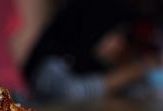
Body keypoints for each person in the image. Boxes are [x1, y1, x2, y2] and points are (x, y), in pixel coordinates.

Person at [23, 0, 160, 103]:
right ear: (93, 30)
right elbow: (64, 94)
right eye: (114, 34)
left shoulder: (94, 61)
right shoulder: (52, 59)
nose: (120, 43)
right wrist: (122, 77)